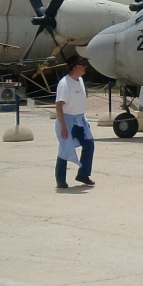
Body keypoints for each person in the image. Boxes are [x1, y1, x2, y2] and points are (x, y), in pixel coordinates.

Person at [54, 55, 95, 189]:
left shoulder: (80, 80)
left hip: (80, 119)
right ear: (75, 67)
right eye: (83, 65)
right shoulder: (65, 84)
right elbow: (59, 106)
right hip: (67, 120)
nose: (85, 67)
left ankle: (83, 174)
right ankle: (60, 180)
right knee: (65, 148)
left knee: (89, 144)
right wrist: (63, 126)